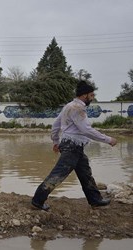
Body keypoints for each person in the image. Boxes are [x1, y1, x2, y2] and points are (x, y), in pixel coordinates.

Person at [31, 80, 117, 211]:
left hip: (73, 146)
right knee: (58, 174)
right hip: (72, 147)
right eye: (91, 95)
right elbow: (86, 130)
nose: (92, 98)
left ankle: (95, 200)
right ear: (84, 95)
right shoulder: (78, 108)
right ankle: (37, 200)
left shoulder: (68, 106)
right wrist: (108, 139)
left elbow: (55, 125)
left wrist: (55, 141)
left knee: (85, 173)